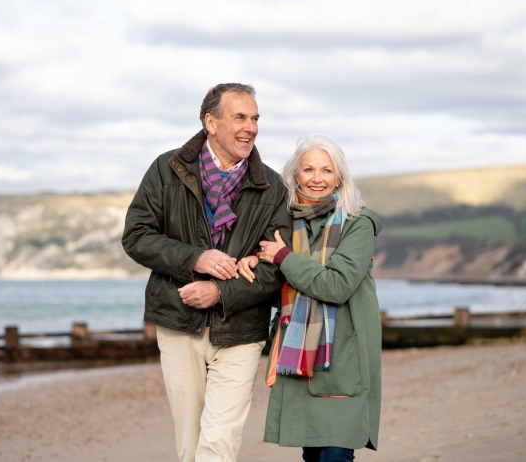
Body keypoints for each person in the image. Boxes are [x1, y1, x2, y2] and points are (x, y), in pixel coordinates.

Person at [121, 83, 292, 462]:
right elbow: (136, 236)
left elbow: (278, 264)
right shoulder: (166, 170)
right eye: (241, 117)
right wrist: (194, 259)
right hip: (178, 321)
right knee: (190, 441)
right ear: (210, 122)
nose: (251, 127)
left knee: (219, 440)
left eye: (255, 118)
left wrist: (221, 293)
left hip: (242, 329)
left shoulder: (273, 187)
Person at [237, 135, 382, 462]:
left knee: (334, 454)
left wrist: (283, 257)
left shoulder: (358, 224)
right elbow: (280, 287)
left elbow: (337, 285)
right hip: (301, 360)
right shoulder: (287, 224)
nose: (317, 178)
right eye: (309, 170)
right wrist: (254, 260)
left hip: (341, 357)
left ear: (339, 178)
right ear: (295, 176)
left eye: (327, 170)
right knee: (314, 456)